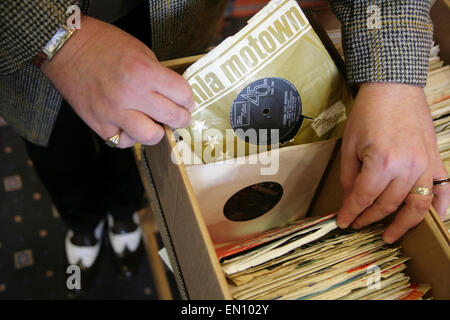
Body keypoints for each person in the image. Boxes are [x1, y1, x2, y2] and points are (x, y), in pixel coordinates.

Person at [1, 0, 448, 291]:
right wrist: (58, 39)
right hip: (31, 59)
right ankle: (83, 224)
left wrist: (393, 78)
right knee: (57, 152)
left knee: (142, 143)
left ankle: (123, 218)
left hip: (171, 20)